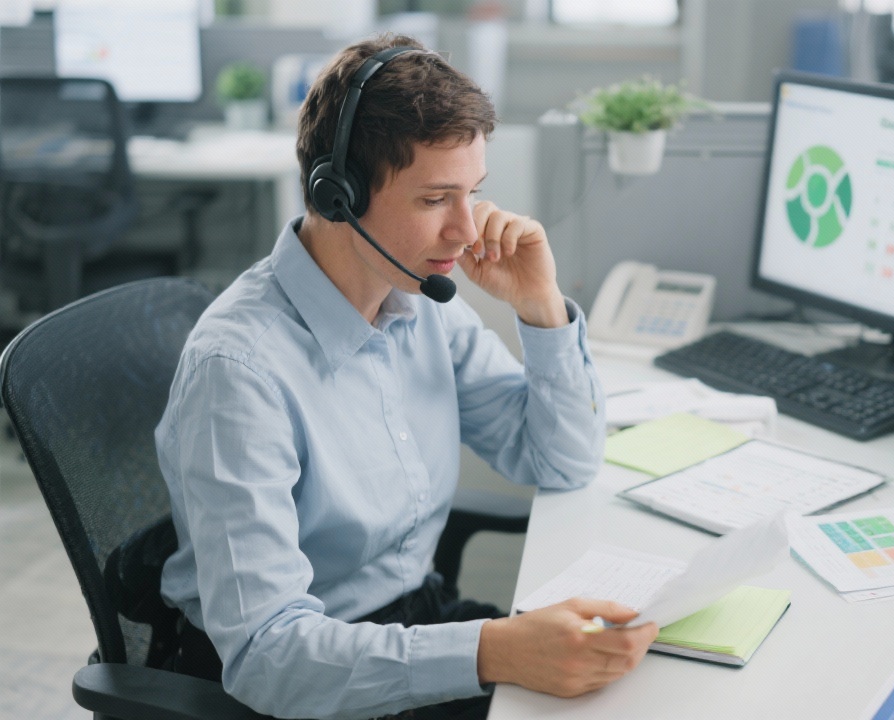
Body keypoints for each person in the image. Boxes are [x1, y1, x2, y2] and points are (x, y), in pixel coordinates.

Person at [156, 34, 657, 720]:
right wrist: (495, 651)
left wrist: (540, 308)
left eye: (473, 194)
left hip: (410, 625)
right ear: (337, 196)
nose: (466, 230)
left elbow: (560, 458)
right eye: (435, 199)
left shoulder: (418, 302)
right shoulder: (239, 374)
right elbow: (267, 655)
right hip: (302, 678)